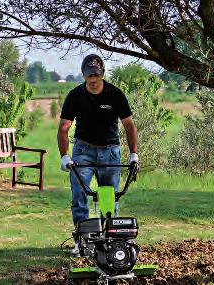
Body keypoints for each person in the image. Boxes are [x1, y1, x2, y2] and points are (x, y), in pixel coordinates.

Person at [57, 54, 139, 256]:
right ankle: (83, 241)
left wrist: (134, 154)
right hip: (83, 151)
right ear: (84, 76)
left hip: (110, 152)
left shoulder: (115, 94)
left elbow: (129, 125)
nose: (93, 82)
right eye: (89, 78)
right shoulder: (75, 96)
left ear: (102, 75)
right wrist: (65, 156)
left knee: (108, 198)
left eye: (97, 77)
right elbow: (63, 128)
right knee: (79, 196)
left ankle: (110, 242)